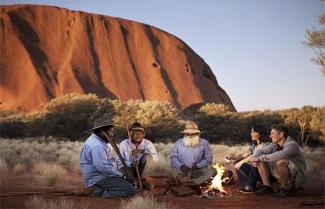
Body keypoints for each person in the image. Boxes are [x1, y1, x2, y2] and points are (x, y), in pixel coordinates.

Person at [79, 116, 135, 198]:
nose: (112, 135)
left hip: (103, 175)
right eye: (111, 132)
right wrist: (122, 176)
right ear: (102, 132)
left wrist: (127, 168)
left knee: (128, 174)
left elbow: (111, 162)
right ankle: (98, 192)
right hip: (98, 178)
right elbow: (103, 167)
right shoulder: (97, 145)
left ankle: (101, 188)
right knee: (130, 191)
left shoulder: (100, 142)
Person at [250, 124, 307, 197]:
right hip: (281, 172)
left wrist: (259, 158)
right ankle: (267, 187)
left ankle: (287, 189)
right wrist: (255, 156)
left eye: (273, 133)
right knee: (261, 161)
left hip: (297, 176)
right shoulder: (275, 144)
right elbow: (262, 151)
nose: (270, 136)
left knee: (280, 161)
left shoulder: (292, 144)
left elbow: (281, 154)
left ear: (281, 134)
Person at [226, 125, 270, 193]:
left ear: (260, 133)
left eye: (253, 132)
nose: (251, 134)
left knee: (254, 162)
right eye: (251, 132)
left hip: (264, 171)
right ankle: (246, 184)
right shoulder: (254, 146)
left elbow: (255, 156)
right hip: (255, 171)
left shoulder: (267, 144)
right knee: (237, 162)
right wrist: (231, 158)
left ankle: (250, 185)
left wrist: (241, 162)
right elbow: (244, 155)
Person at [170, 121, 216, 186]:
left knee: (212, 172)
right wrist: (181, 166)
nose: (190, 136)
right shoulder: (178, 143)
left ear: (198, 134)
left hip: (198, 169)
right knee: (173, 174)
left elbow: (208, 159)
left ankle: (192, 183)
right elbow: (173, 158)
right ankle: (187, 181)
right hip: (182, 169)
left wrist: (198, 166)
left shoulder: (204, 143)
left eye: (193, 134)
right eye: (188, 134)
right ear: (185, 134)